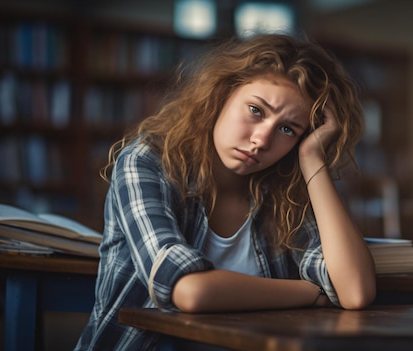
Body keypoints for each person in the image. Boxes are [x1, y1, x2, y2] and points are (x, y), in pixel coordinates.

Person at [74, 33, 376, 350]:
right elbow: (189, 291)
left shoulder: (285, 191)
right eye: (256, 110)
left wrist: (312, 159)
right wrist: (312, 292)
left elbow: (354, 291)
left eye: (288, 129)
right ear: (222, 94)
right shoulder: (148, 163)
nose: (261, 140)